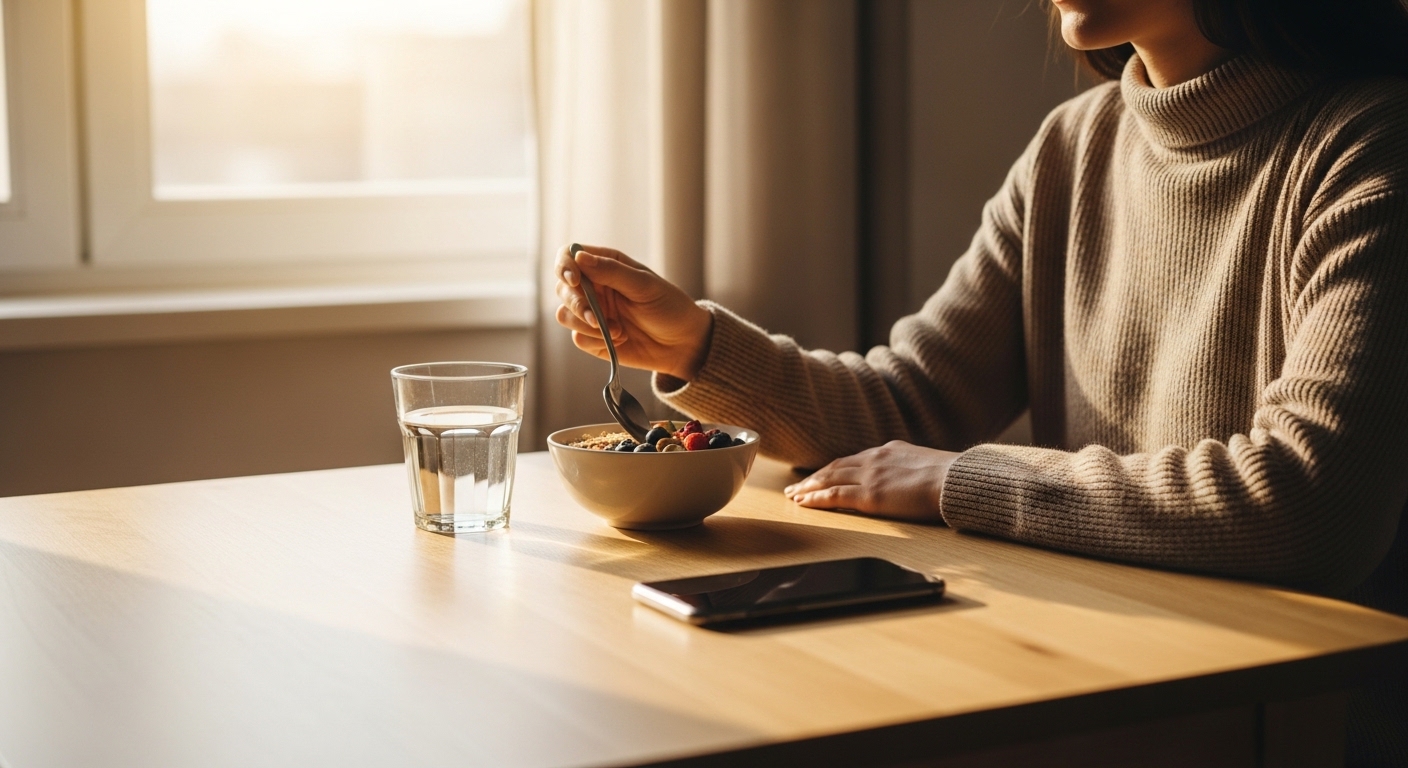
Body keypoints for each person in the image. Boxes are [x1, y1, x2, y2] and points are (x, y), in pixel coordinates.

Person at [555, 0, 1408, 763]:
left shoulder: (1372, 142)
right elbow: (909, 404)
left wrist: (959, 480)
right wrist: (696, 345)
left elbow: (1308, 503)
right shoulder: (1076, 144)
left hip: (1293, 713)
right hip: (1104, 666)